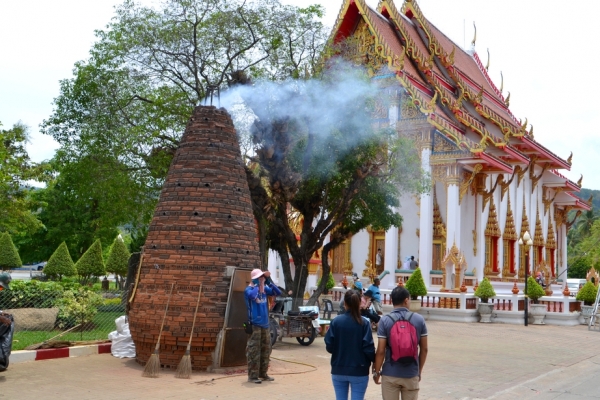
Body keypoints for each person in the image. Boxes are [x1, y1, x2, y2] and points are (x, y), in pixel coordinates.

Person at [373, 287, 428, 400]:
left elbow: (380, 351)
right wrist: (418, 371)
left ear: (392, 300)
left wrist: (376, 372)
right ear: (406, 300)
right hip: (411, 374)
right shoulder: (419, 319)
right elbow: (424, 349)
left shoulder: (384, 320)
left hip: (390, 374)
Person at [325, 289, 375, 400]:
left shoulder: (336, 321)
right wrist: (374, 362)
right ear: (359, 303)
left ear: (345, 303)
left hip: (339, 369)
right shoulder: (364, 323)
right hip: (359, 370)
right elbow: (368, 349)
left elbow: (329, 345)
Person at [244, 268, 281, 384]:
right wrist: (257, 285)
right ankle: (253, 376)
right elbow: (252, 296)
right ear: (254, 279)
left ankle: (263, 374)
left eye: (263, 277)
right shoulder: (249, 290)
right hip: (254, 324)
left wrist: (269, 282)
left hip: (265, 324)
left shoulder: (264, 289)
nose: (262, 280)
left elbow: (277, 293)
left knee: (266, 349)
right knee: (254, 350)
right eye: (260, 278)